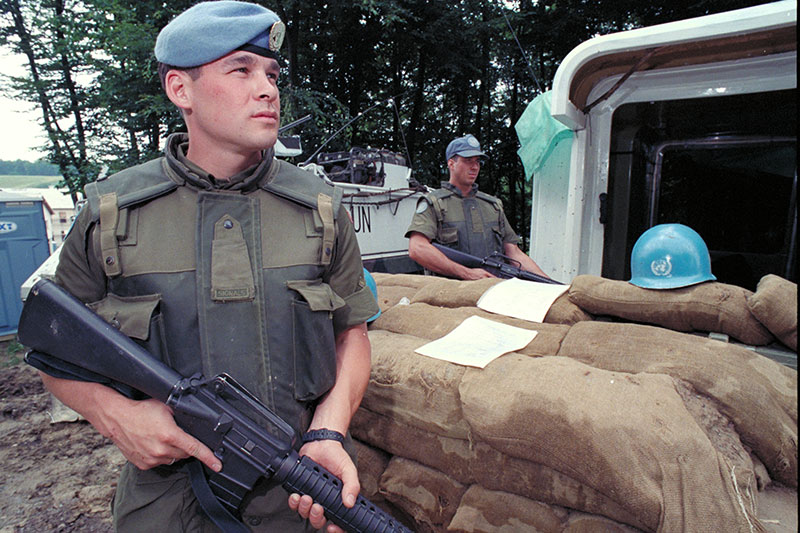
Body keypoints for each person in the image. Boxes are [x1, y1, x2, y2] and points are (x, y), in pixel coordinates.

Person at [36, 2, 378, 532]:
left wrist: (328, 432)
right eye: (240, 70)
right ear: (181, 90)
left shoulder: (322, 208)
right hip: (164, 504)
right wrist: (116, 416)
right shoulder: (112, 212)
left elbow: (351, 333)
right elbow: (52, 345)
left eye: (271, 74)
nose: (267, 89)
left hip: (295, 498)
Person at [406, 134, 549, 280]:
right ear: (451, 163)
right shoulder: (435, 203)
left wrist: (551, 284)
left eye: (477, 162)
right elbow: (417, 248)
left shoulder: (493, 205)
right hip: (451, 293)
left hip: (494, 287)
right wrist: (466, 273)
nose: (475, 167)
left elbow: (513, 252)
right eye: (468, 161)